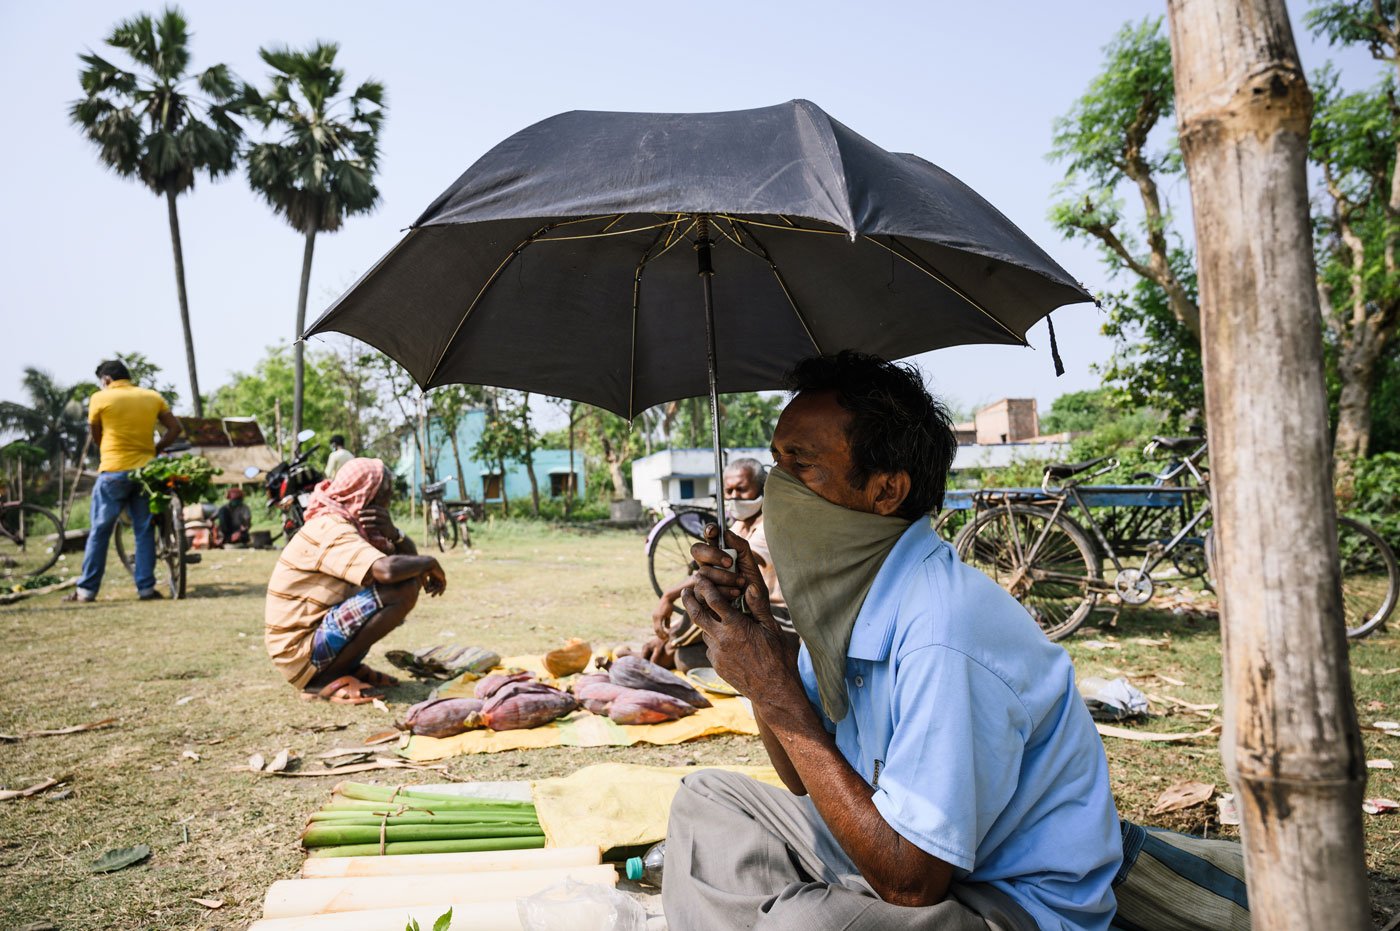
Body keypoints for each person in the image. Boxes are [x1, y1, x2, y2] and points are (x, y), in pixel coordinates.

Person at [665, 352, 1120, 931]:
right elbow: (801, 777)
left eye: (801, 466)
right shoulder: (856, 596)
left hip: (1005, 904)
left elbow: (911, 883)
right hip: (896, 852)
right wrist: (763, 647)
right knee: (707, 801)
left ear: (886, 491)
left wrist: (772, 688)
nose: (778, 490)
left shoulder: (942, 631)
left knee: (806, 924)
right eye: (776, 462)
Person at [264, 457, 446, 704]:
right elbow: (388, 572)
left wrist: (395, 534)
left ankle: (343, 668)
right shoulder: (331, 528)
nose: (389, 501)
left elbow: (405, 563)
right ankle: (321, 681)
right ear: (367, 495)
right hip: (299, 651)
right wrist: (430, 562)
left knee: (404, 583)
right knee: (400, 590)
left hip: (309, 642)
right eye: (386, 494)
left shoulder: (350, 526)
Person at [644, 458, 788, 671]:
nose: (733, 496)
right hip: (749, 609)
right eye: (728, 491)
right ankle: (669, 646)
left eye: (742, 489)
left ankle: (667, 645)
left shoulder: (770, 524)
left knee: (711, 601)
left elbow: (730, 566)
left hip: (776, 614)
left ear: (761, 487)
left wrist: (668, 595)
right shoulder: (740, 525)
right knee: (685, 655)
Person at [67, 360, 183, 603]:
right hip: (145, 473)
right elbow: (175, 428)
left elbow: (96, 434)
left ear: (107, 379)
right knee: (144, 531)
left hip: (113, 471)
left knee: (100, 531)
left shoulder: (100, 398)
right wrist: (155, 448)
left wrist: (112, 449)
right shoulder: (152, 397)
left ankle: (87, 591)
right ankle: (146, 589)